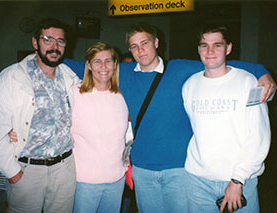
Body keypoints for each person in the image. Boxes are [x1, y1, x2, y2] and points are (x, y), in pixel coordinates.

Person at [64, 22, 275, 212]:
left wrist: (261, 71)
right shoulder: (123, 72)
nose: (140, 50)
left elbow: (218, 63)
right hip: (142, 169)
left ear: (156, 42)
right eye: (134, 46)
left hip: (180, 169)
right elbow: (82, 65)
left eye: (145, 43)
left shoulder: (180, 68)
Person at [182, 26, 271, 213]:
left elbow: (259, 136)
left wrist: (237, 180)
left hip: (240, 182)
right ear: (198, 49)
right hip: (198, 182)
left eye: (217, 45)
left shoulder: (249, 83)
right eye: (204, 45)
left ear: (228, 48)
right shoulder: (190, 85)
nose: (210, 51)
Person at [0, 18, 79, 212]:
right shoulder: (11, 78)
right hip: (27, 170)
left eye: (60, 41)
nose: (54, 46)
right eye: (48, 39)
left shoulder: (71, 77)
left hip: (64, 169)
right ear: (35, 42)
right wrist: (12, 172)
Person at [71, 42, 128, 213]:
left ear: (115, 64)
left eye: (108, 61)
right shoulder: (75, 93)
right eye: (97, 61)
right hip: (84, 182)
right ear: (88, 64)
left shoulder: (122, 94)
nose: (103, 67)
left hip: (116, 179)